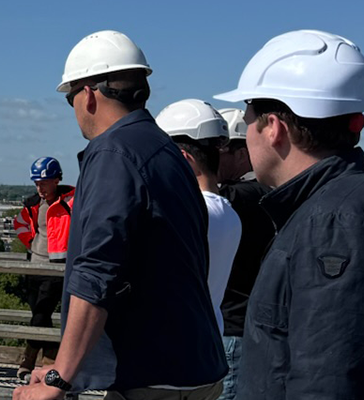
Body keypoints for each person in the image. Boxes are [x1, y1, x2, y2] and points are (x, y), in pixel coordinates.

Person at [213, 30, 364, 399]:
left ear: (273, 128)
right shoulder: (348, 206)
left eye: (247, 116)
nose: (245, 133)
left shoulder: (336, 223)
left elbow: (327, 383)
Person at [14, 30, 225, 400]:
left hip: (151, 375)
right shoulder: (166, 151)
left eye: (71, 98)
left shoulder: (113, 153)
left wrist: (60, 378)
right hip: (195, 366)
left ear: (89, 94)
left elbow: (97, 270)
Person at [156, 99, 244, 335]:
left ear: (184, 159)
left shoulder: (191, 213)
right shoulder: (228, 213)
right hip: (206, 340)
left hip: (176, 346)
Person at [211, 107, 274, 400]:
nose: (210, 158)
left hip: (232, 326)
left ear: (240, 153)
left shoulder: (239, 198)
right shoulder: (266, 193)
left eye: (217, 151)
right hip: (244, 323)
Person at [13, 156, 74, 376]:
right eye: (36, 183)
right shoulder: (33, 204)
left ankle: (30, 360)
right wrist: (30, 243)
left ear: (56, 180)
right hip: (34, 264)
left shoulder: (71, 202)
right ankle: (49, 358)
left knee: (41, 311)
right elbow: (18, 223)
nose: (39, 188)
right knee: (40, 315)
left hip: (57, 267)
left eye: (44, 182)